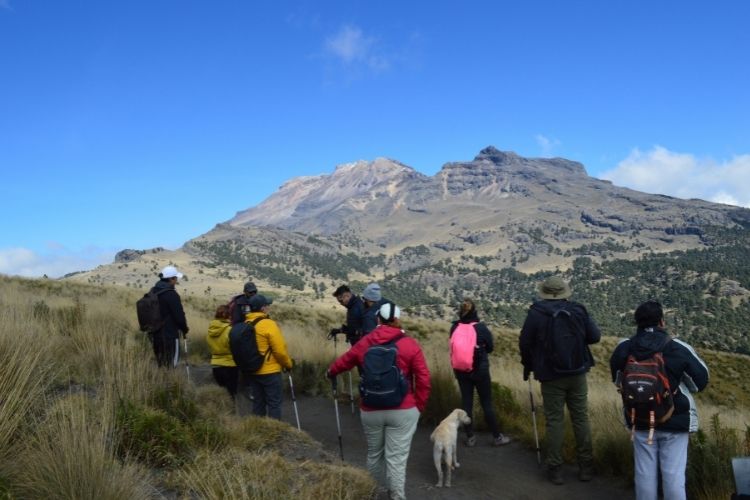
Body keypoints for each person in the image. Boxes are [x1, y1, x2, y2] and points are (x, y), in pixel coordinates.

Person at [327, 302, 431, 500]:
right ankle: (397, 497)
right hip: (403, 409)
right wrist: (419, 406)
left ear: (377, 319)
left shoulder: (365, 343)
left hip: (371, 409)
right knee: (396, 459)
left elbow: (344, 362)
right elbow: (424, 378)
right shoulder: (409, 344)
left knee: (375, 454)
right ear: (397, 320)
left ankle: (372, 494)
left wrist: (330, 372)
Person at [609, 300, 709, 500]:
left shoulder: (624, 347)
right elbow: (700, 383)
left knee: (644, 474)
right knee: (673, 475)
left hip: (639, 417)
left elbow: (618, 380)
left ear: (636, 323)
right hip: (675, 419)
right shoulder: (678, 347)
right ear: (662, 322)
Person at [519, 275, 600, 485]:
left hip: (550, 374)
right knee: (580, 418)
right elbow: (595, 337)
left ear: (544, 292)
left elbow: (524, 342)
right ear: (564, 292)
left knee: (555, 421)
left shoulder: (536, 313)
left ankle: (555, 468)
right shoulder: (577, 310)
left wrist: (528, 365)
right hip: (577, 371)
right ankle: (586, 467)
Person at [451, 298, 512, 447]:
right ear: (474, 311)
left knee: (466, 403)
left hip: (461, 370)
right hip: (480, 370)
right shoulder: (481, 328)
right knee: (486, 403)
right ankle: (497, 437)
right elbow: (490, 347)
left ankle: (470, 437)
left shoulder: (454, 327)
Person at [236, 294, 293, 419]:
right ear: (262, 308)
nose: (268, 307)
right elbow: (280, 351)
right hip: (270, 372)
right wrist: (288, 364)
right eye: (267, 305)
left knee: (258, 403)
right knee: (274, 404)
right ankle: (274, 433)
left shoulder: (246, 323)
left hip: (252, 371)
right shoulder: (269, 324)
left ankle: (259, 432)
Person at [150, 265, 189, 368]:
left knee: (161, 364)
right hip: (170, 336)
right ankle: (172, 383)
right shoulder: (171, 294)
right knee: (171, 364)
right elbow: (179, 317)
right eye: (175, 278)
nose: (176, 280)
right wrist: (185, 329)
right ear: (170, 279)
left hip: (155, 335)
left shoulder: (153, 291)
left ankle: (162, 383)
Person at [206, 304, 238, 398]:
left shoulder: (210, 329)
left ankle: (221, 411)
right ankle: (231, 412)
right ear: (228, 315)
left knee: (221, 395)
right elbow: (234, 347)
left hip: (215, 364)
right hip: (230, 365)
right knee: (231, 394)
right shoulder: (230, 330)